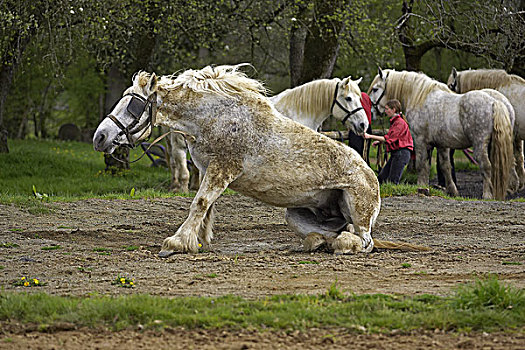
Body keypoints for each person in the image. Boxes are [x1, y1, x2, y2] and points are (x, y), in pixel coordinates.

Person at [364, 99, 413, 184]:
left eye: (387, 109)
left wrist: (369, 136)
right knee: (382, 178)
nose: (385, 111)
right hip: (397, 153)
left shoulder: (399, 123)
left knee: (393, 181)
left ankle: (393, 196)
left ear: (393, 109)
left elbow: (389, 139)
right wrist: (379, 142)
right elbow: (393, 138)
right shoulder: (395, 122)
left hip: (401, 153)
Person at [347, 92, 373, 163]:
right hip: (367, 126)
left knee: (355, 153)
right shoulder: (365, 96)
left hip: (359, 126)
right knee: (365, 153)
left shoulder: (354, 96)